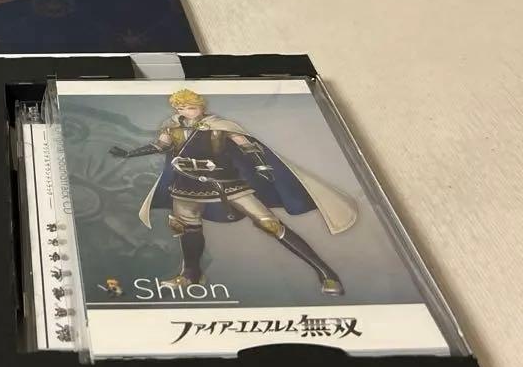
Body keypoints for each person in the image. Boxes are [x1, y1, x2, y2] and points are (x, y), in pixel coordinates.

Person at [110, 89, 357, 295]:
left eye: (190, 107)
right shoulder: (171, 127)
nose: (185, 111)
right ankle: (190, 274)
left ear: (200, 106)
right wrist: (129, 154)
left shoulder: (220, 125)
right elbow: (160, 146)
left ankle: (326, 272)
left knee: (270, 224)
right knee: (185, 228)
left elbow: (248, 147)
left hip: (225, 181)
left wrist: (262, 166)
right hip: (186, 185)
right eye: (181, 107)